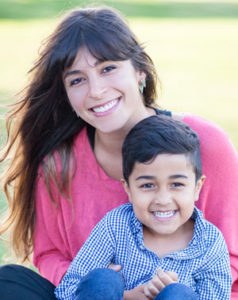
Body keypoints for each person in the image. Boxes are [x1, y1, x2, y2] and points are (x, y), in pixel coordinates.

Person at [0, 5, 237, 300]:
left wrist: (163, 290)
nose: (96, 90)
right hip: (92, 295)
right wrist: (112, 292)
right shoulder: (58, 164)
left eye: (108, 68)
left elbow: (229, 259)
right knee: (7, 282)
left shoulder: (205, 145)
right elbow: (50, 256)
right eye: (77, 80)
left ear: (140, 72)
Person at [55, 115, 232, 300]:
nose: (163, 200)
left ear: (197, 188)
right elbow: (66, 289)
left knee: (177, 294)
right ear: (128, 189)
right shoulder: (116, 226)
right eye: (148, 185)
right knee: (103, 280)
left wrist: (176, 292)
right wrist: (124, 296)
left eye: (177, 184)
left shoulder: (209, 242)